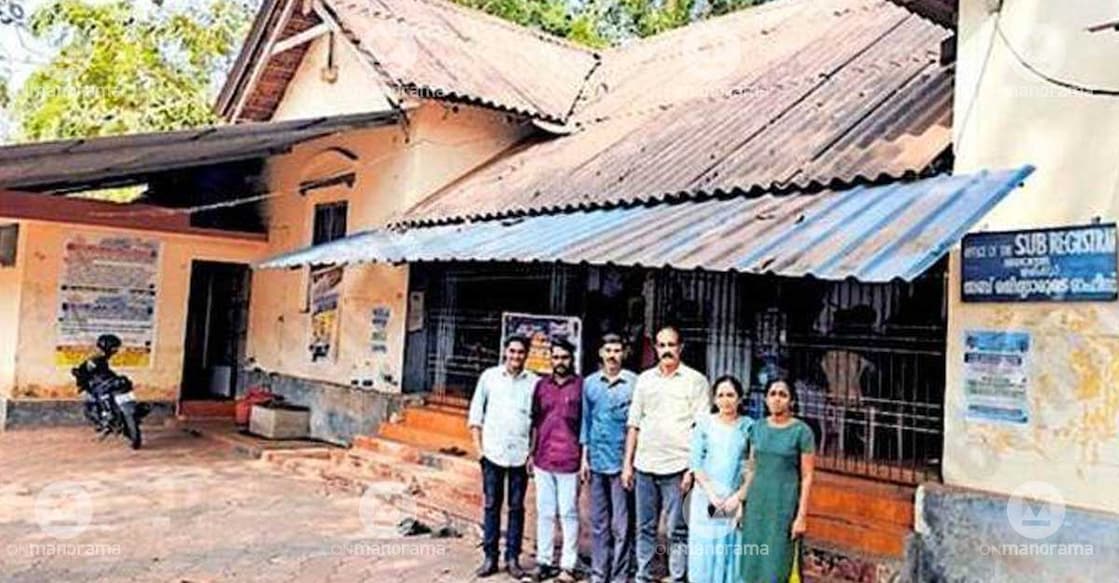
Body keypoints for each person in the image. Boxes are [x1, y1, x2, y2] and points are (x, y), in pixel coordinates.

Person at [622, 325, 710, 583]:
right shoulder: (645, 380)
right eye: (662, 345)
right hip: (645, 465)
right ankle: (643, 575)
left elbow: (701, 430)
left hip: (678, 467)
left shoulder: (696, 381)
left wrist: (691, 469)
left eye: (672, 345)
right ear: (655, 348)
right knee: (644, 528)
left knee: (677, 530)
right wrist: (627, 464)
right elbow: (634, 424)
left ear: (681, 348)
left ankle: (677, 576)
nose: (667, 350)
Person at [468, 336, 539, 579]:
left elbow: (537, 422)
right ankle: (490, 557)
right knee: (491, 506)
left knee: (516, 508)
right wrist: (479, 451)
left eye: (521, 352)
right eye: (512, 351)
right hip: (492, 453)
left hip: (520, 455)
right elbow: (476, 416)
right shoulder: (489, 377)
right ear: (505, 352)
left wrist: (532, 452)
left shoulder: (534, 383)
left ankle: (513, 558)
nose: (516, 356)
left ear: (526, 355)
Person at [739, 378, 816, 583]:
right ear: (765, 399)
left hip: (783, 506)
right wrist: (741, 503)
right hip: (756, 505)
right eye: (772, 394)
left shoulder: (801, 432)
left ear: (791, 401)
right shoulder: (757, 428)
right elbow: (751, 466)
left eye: (783, 394)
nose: (777, 399)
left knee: (777, 562)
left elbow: (807, 476)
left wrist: (801, 516)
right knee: (752, 561)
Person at [580, 333, 638, 583]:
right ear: (601, 354)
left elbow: (636, 425)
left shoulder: (634, 383)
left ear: (623, 354)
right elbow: (586, 422)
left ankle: (619, 575)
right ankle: (598, 573)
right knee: (599, 523)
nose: (612, 355)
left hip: (621, 463)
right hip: (596, 461)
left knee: (622, 525)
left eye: (617, 350)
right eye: (608, 350)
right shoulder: (590, 383)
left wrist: (630, 463)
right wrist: (584, 458)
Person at [687, 375, 752, 583]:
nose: (726, 400)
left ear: (740, 399)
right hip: (707, 498)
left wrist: (740, 498)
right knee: (705, 553)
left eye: (731, 395)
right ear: (714, 399)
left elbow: (752, 467)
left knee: (730, 551)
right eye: (721, 395)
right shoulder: (704, 424)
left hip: (733, 498)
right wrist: (711, 494)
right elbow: (696, 464)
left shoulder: (748, 427)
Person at [529, 339, 583, 582]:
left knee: (569, 513)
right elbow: (535, 420)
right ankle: (543, 561)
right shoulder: (541, 386)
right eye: (556, 357)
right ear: (550, 359)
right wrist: (531, 453)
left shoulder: (581, 387)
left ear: (572, 359)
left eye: (564, 357)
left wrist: (585, 460)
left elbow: (586, 425)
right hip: (543, 458)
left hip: (570, 460)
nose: (560, 362)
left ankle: (568, 566)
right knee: (545, 512)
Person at [72, 334, 122, 429]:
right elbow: (84, 371)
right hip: (91, 386)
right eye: (114, 347)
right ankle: (105, 418)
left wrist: (116, 378)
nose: (116, 350)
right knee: (102, 396)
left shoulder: (103, 358)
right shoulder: (96, 359)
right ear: (108, 346)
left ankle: (115, 415)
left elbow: (105, 372)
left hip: (101, 384)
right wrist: (83, 382)